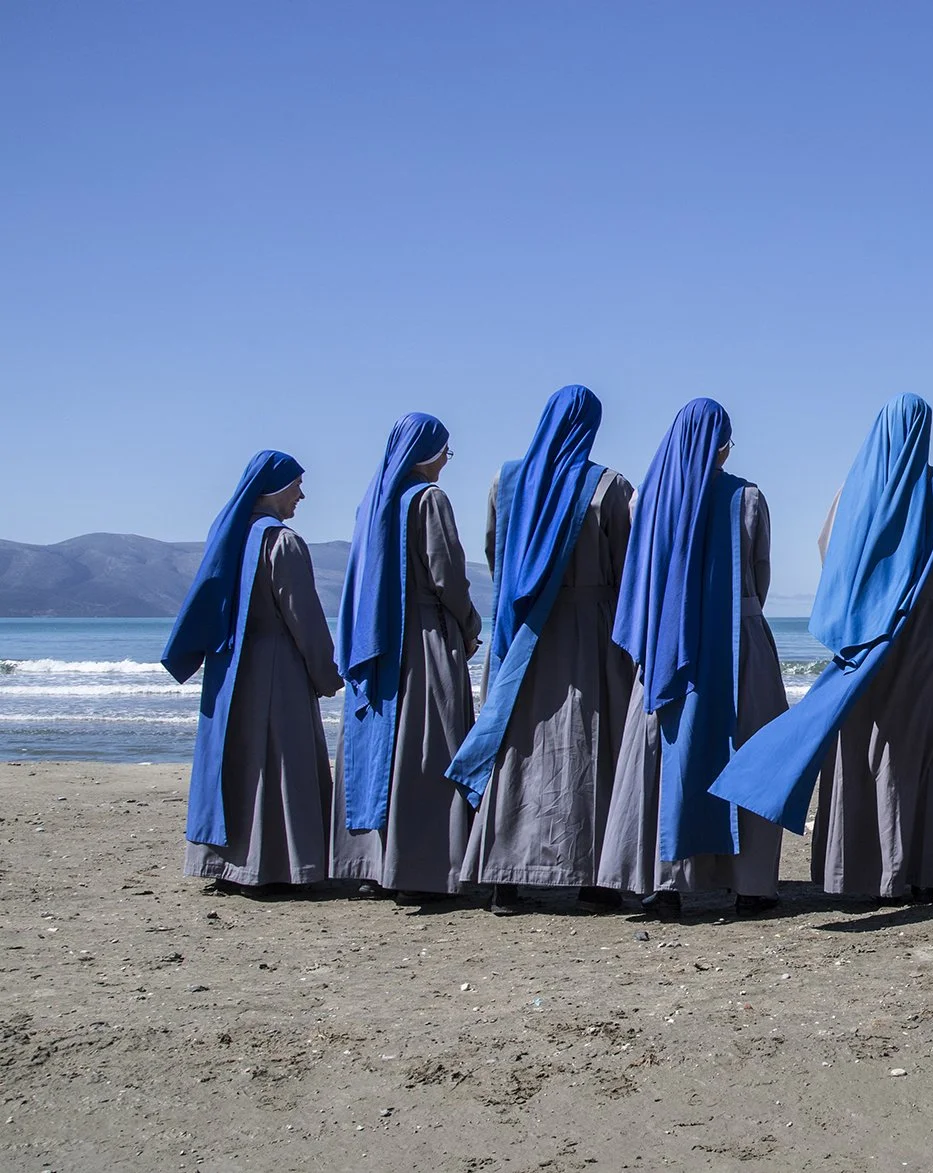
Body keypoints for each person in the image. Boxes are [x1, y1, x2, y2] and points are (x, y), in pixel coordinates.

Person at [709, 393, 933, 901]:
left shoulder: (852, 492)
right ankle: (923, 875)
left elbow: (829, 557)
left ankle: (867, 872)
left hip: (868, 639)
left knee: (871, 754)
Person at [447, 386, 635, 914]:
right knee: (589, 745)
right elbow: (627, 568)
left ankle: (504, 875)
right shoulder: (608, 486)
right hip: (590, 629)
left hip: (523, 629)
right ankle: (593, 878)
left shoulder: (507, 481)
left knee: (517, 744)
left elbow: (495, 554)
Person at [596, 399, 787, 918]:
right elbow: (760, 574)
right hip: (737, 638)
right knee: (747, 750)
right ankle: (749, 884)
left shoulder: (645, 502)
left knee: (666, 756)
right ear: (724, 444)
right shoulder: (747, 498)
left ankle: (666, 882)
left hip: (667, 648)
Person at [164, 451, 344, 895]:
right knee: (278, 761)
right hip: (276, 666)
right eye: (297, 485)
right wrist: (327, 674)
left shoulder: (230, 539)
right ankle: (273, 868)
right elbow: (304, 617)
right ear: (276, 488)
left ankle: (224, 862)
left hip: (228, 671)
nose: (301, 494)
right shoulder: (281, 542)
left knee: (235, 758)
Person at [331, 413, 482, 903]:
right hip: (425, 640)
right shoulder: (429, 500)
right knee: (430, 747)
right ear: (427, 453)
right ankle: (423, 866)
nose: (445, 461)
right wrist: (470, 625)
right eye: (444, 451)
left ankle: (372, 865)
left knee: (383, 748)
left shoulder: (373, 504)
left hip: (380, 646)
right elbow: (448, 576)